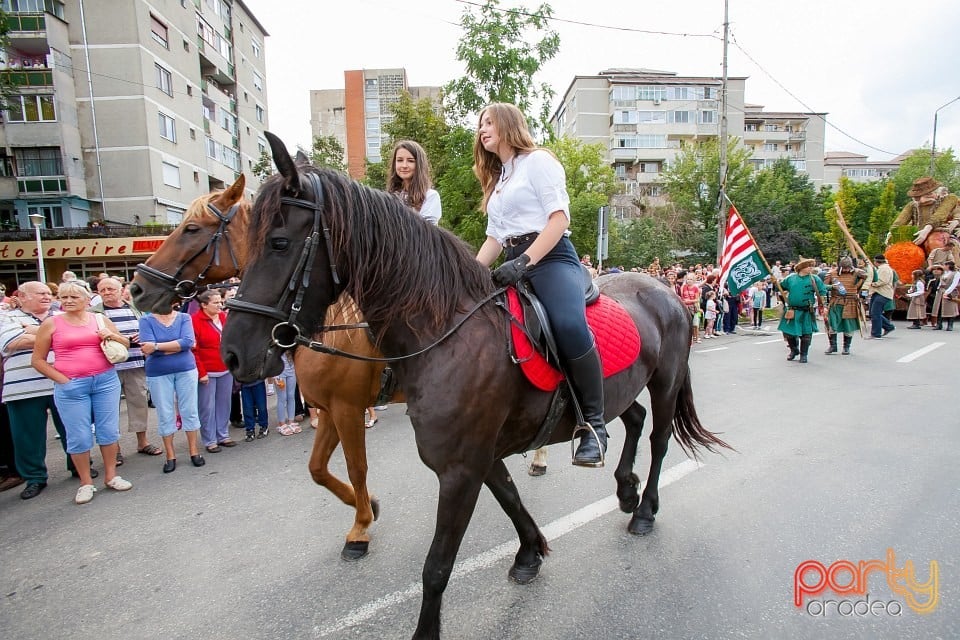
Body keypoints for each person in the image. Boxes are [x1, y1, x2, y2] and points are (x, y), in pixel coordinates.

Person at [472, 102, 606, 467]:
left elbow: (558, 220)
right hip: (514, 263)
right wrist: (467, 274)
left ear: (507, 124)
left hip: (550, 260)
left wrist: (525, 261)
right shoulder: (499, 179)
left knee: (567, 324)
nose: (482, 129)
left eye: (488, 122)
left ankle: (594, 425)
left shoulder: (539, 162)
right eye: (480, 124)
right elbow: (495, 238)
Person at [31, 281, 132, 504]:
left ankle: (111, 476)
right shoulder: (51, 323)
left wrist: (110, 335)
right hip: (72, 385)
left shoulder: (99, 319)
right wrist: (63, 381)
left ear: (87, 300)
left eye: (74, 297)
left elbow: (125, 343)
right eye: (64, 297)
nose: (68, 301)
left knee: (108, 431)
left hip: (105, 381)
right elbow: (37, 360)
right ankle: (86, 483)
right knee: (79, 436)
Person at [0, 281, 91, 500]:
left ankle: (79, 468)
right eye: (40, 293)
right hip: (24, 387)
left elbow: (83, 334)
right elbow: (13, 341)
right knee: (27, 436)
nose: (46, 297)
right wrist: (60, 336)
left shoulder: (60, 315)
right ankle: (34, 478)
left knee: (73, 428)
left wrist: (38, 334)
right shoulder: (7, 317)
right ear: (21, 297)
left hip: (63, 381)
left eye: (48, 293)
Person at [94, 277, 161, 462]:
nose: (107, 292)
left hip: (136, 365)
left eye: (110, 289)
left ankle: (143, 442)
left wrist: (144, 334)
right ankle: (114, 450)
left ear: (121, 290)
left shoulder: (135, 308)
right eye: (103, 290)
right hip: (108, 367)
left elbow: (149, 329)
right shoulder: (94, 313)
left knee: (139, 405)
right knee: (108, 410)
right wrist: (122, 339)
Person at [139, 304, 204, 472]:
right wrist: (174, 347)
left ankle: (194, 451)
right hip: (158, 372)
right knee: (165, 412)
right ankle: (170, 455)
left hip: (186, 369)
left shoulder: (184, 317)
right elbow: (147, 348)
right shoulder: (146, 320)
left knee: (189, 409)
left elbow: (188, 342)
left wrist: (157, 346)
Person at [192, 289, 236, 452]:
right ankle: (210, 440)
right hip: (207, 370)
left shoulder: (224, 317)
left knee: (224, 404)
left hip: (225, 368)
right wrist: (201, 372)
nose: (220, 305)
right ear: (204, 305)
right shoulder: (195, 321)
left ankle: (223, 435)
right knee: (207, 407)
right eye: (216, 302)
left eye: (220, 302)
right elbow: (194, 350)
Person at [777, 258, 827, 363]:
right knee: (789, 333)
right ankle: (794, 350)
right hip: (792, 310)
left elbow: (822, 292)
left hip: (806, 311)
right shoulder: (790, 278)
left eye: (812, 266)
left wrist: (824, 306)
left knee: (806, 334)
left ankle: (804, 355)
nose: (811, 268)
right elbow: (780, 287)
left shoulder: (814, 279)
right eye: (809, 266)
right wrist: (775, 283)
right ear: (802, 268)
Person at [889, 177, 959, 247]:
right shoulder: (912, 205)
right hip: (917, 235)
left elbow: (939, 215)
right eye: (917, 197)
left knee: (935, 243)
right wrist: (892, 233)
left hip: (942, 235)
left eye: (927, 194)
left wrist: (926, 230)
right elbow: (899, 222)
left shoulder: (949, 199)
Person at [385, 140, 442, 226]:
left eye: (410, 161)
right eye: (400, 160)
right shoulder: (389, 196)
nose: (404, 165)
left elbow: (426, 232)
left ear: (419, 164)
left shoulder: (430, 196)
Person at [820, 256, 866, 355]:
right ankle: (833, 346)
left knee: (848, 326)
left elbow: (873, 278)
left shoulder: (857, 273)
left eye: (848, 268)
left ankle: (846, 347)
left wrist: (864, 268)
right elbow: (822, 287)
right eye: (844, 268)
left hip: (851, 302)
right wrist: (832, 286)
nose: (846, 270)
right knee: (832, 324)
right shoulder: (832, 273)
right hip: (836, 302)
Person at [865, 254, 897, 339]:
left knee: (875, 313)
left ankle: (876, 333)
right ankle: (888, 326)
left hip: (883, 293)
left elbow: (882, 281)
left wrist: (871, 284)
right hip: (878, 292)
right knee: (873, 313)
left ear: (876, 262)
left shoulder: (884, 269)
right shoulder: (882, 268)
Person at [272, 353, 301, 436]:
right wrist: (275, 375)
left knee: (291, 396)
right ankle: (282, 424)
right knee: (282, 397)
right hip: (280, 371)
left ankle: (291, 421)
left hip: (291, 370)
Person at [930, 260, 959, 330]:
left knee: (950, 309)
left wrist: (947, 292)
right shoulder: (944, 273)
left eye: (945, 265)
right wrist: (938, 290)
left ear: (948, 266)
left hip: (950, 292)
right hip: (941, 292)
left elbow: (954, 284)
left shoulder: (956, 273)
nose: (943, 267)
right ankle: (939, 324)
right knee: (939, 308)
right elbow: (940, 282)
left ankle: (950, 325)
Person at [680, 273, 702, 344]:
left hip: (692, 307)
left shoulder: (695, 288)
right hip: (684, 306)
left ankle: (692, 337)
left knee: (692, 323)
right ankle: (688, 338)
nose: (689, 281)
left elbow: (697, 299)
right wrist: (684, 301)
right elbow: (681, 296)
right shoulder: (683, 287)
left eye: (691, 279)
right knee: (686, 323)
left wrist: (689, 301)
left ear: (694, 280)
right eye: (688, 279)